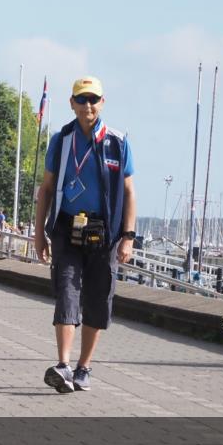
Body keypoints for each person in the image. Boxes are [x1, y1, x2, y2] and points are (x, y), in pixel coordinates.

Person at [34, 76, 136, 394]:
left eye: (93, 99)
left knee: (97, 299)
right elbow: (47, 189)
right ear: (72, 103)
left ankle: (83, 368)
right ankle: (63, 365)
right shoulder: (62, 140)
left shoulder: (117, 142)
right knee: (66, 290)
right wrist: (39, 233)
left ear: (102, 103)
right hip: (67, 227)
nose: (87, 105)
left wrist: (128, 236)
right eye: (82, 99)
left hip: (103, 232)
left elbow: (130, 192)